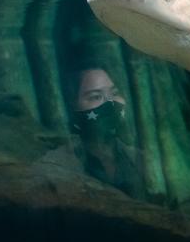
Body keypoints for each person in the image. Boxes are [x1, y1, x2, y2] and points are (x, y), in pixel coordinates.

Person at [37, 64, 150, 201]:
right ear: (74, 105)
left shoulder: (137, 158)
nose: (111, 104)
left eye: (114, 93)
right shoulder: (56, 166)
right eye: (95, 97)